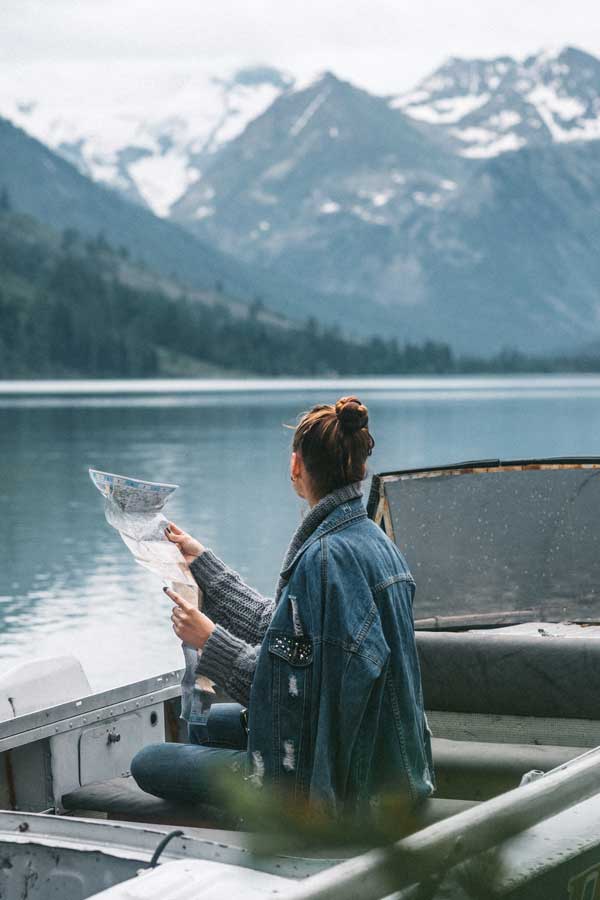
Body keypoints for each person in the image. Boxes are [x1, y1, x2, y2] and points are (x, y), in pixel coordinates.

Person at [131, 397, 434, 820]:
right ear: (358, 467)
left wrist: (207, 640)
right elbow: (289, 638)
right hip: (390, 767)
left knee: (147, 762)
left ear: (296, 466)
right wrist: (203, 565)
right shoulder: (373, 542)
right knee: (205, 724)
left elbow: (284, 694)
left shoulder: (323, 559)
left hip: (337, 785)